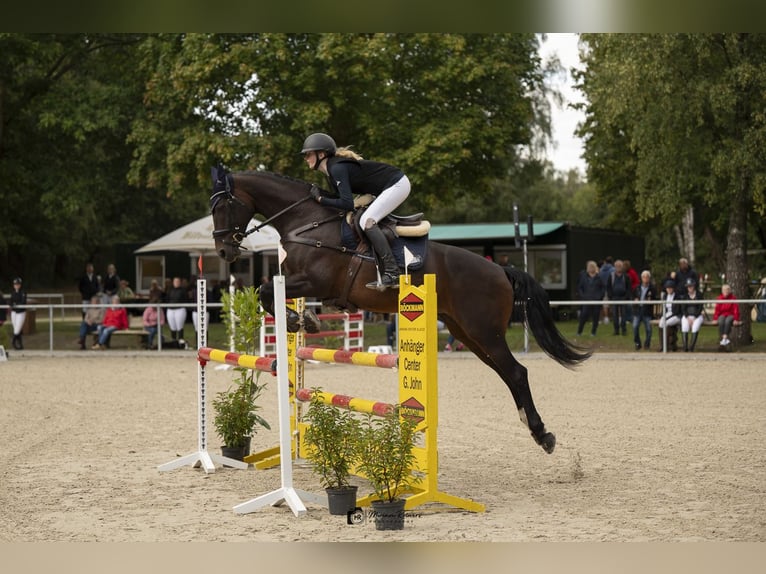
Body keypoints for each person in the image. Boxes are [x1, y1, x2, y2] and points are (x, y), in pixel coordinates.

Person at [301, 132, 411, 289]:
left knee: (367, 221)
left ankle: (393, 272)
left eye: (308, 154)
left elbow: (346, 203)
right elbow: (342, 201)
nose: (306, 159)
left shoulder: (336, 168)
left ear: (321, 154)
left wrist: (321, 200)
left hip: (397, 184)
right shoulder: (331, 171)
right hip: (386, 187)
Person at [576, 260, 606, 337]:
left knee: (596, 317)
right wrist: (583, 296)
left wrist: (599, 297)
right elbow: (580, 287)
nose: (591, 268)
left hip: (596, 300)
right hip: (586, 300)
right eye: (590, 267)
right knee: (583, 316)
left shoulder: (599, 277)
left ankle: (593, 332)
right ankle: (579, 332)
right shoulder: (583, 276)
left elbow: (603, 288)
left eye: (592, 267)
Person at [631, 270, 658, 350]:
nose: (645, 278)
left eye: (647, 277)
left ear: (649, 278)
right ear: (641, 278)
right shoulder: (637, 288)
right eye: (644, 277)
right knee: (635, 327)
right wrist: (635, 300)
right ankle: (637, 343)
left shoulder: (652, 289)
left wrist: (651, 301)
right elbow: (632, 296)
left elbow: (656, 298)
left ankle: (647, 344)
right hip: (638, 310)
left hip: (647, 311)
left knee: (649, 329)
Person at [606, 259, 632, 336]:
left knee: (624, 315)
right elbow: (608, 287)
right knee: (615, 315)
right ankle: (616, 330)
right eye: (617, 266)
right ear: (614, 267)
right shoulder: (611, 276)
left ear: (622, 267)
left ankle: (624, 330)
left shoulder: (626, 276)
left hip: (623, 298)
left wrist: (626, 297)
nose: (618, 267)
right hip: (614, 298)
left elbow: (629, 288)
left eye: (620, 266)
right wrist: (611, 296)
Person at [679, 277, 704, 352]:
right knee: (684, 326)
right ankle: (685, 347)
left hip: (697, 315)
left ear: (694, 286)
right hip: (687, 316)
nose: (690, 288)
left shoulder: (699, 295)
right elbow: (683, 308)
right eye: (688, 286)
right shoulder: (685, 296)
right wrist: (687, 317)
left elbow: (700, 307)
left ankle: (691, 347)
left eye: (691, 286)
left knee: (695, 327)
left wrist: (695, 317)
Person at [658, 277, 682, 351]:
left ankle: (668, 345)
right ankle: (662, 345)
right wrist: (663, 315)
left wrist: (667, 317)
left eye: (670, 288)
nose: (669, 289)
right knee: (661, 324)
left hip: (676, 315)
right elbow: (664, 308)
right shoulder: (665, 296)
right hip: (668, 313)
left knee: (667, 323)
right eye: (667, 288)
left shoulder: (677, 296)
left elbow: (677, 311)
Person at [713, 283, 740, 350]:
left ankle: (724, 339)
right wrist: (715, 318)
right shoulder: (719, 298)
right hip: (722, 314)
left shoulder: (733, 298)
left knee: (728, 321)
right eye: (724, 290)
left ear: (730, 291)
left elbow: (736, 310)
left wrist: (736, 319)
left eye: (727, 290)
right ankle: (725, 340)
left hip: (731, 314)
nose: (726, 291)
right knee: (721, 321)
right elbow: (717, 310)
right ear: (722, 291)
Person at [165, 276, 189, 343]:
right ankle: (173, 341)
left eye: (178, 281)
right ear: (173, 282)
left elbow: (186, 299)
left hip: (180, 309)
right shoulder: (170, 290)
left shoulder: (183, 290)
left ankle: (181, 341)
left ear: (180, 282)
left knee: (179, 326)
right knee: (172, 327)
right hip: (170, 310)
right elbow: (167, 299)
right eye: (175, 281)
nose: (176, 283)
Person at [9, 277, 27, 350]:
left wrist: (15, 304)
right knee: (15, 328)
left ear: (20, 285)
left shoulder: (23, 292)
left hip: (21, 312)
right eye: (15, 284)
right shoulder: (13, 293)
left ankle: (13, 342)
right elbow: (10, 301)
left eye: (17, 284)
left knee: (17, 328)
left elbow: (23, 302)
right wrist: (13, 304)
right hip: (14, 313)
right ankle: (20, 345)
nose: (16, 285)